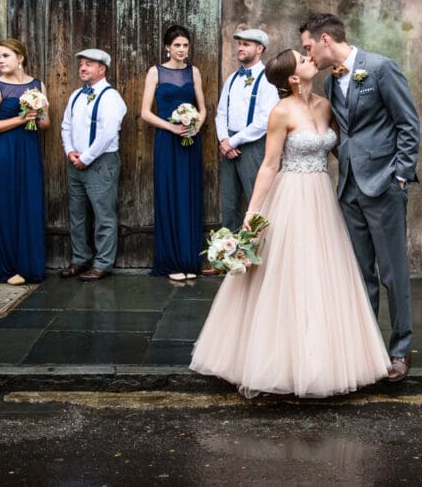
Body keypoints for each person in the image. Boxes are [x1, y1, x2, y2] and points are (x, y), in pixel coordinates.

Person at [190, 49, 390, 398]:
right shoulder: (281, 112)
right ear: (293, 78)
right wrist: (252, 214)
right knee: (289, 276)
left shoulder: (326, 105)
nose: (311, 58)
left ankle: (325, 360)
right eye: (303, 58)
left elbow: (341, 149)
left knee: (325, 276)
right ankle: (280, 362)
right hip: (291, 196)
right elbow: (269, 165)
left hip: (322, 197)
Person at [300, 13, 420, 382]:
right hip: (349, 186)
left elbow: (408, 125)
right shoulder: (333, 82)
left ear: (324, 39)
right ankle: (367, 350)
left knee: (392, 273)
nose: (308, 55)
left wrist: (399, 177)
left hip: (383, 185)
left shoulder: (380, 69)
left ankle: (400, 350)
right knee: (360, 274)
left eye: (308, 48)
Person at [0, 38, 49, 285]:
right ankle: (8, 268)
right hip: (4, 152)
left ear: (20, 58)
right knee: (7, 205)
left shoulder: (37, 84)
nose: (1, 61)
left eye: (6, 56)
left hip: (28, 151)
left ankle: (28, 265)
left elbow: (45, 123)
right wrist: (21, 119)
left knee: (29, 204)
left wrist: (36, 110)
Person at [141, 25, 207, 282]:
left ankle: (190, 260)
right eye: (177, 45)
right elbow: (146, 112)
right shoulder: (155, 72)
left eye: (185, 45)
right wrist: (172, 127)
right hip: (167, 142)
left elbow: (202, 109)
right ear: (167, 47)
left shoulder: (194, 72)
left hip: (190, 141)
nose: (181, 50)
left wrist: (195, 126)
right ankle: (170, 262)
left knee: (189, 196)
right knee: (169, 195)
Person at [59, 48, 128, 281]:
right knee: (77, 214)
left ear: (102, 69)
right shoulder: (76, 95)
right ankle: (80, 259)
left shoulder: (111, 97)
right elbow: (65, 125)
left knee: (103, 215)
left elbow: (108, 133)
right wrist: (70, 151)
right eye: (81, 64)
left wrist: (86, 157)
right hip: (75, 162)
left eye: (89, 64)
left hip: (101, 163)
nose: (83, 68)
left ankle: (103, 263)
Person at [214, 28, 279, 234]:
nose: (240, 48)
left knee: (256, 200)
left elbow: (263, 120)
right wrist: (225, 140)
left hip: (254, 145)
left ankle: (257, 256)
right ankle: (227, 258)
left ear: (260, 49)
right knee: (229, 203)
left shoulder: (268, 78)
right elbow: (221, 113)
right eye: (239, 44)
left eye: (246, 44)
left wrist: (234, 142)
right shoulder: (232, 78)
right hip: (229, 145)